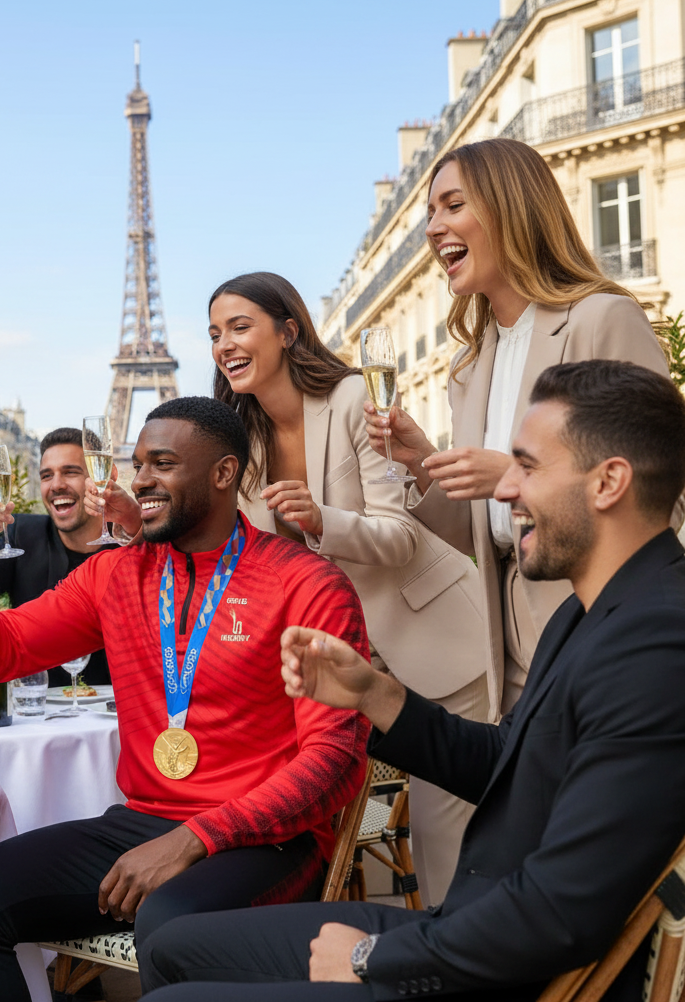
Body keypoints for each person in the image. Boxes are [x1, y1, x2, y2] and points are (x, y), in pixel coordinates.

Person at [138, 360, 685, 1002]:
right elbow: (506, 765)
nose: (505, 490)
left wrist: (374, 956)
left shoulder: (656, 644)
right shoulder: (593, 612)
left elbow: (560, 911)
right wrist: (375, 693)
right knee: (174, 946)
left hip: (496, 971)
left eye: (528, 467)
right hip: (471, 933)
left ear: (609, 482)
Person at [0, 396, 371, 1002]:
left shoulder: (307, 583)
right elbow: (3, 650)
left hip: (267, 839)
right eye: (139, 463)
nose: (139, 480)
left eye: (162, 463)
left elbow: (335, 763)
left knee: (169, 923)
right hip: (144, 822)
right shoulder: (115, 574)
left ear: (223, 473)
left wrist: (197, 839)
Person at [365, 138, 675, 719]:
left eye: (453, 206)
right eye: (431, 213)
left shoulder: (600, 320)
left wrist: (513, 473)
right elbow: (488, 535)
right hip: (502, 649)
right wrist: (422, 460)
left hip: (597, 632)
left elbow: (662, 493)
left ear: (510, 207)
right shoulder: (470, 366)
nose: (434, 228)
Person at [209, 270, 488, 905]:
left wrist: (319, 520)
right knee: (321, 826)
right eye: (214, 333)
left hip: (430, 641)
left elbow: (401, 535)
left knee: (449, 842)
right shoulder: (240, 438)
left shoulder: (356, 398)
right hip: (340, 664)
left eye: (240, 326)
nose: (224, 344)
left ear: (289, 331)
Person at [0, 427, 122, 686]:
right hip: (39, 714)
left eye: (70, 472)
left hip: (114, 712)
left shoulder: (130, 546)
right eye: (46, 475)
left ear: (103, 477)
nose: (56, 485)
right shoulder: (23, 533)